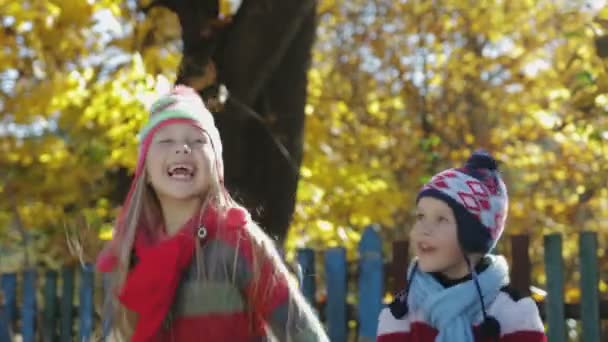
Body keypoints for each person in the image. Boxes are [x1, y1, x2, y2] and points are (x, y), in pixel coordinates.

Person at [96, 85, 328, 341]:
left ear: (216, 167)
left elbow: (300, 328)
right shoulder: (132, 254)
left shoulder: (236, 240)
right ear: (146, 172)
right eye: (165, 140)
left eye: (197, 141)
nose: (182, 148)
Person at [377, 151, 546, 342]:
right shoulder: (402, 314)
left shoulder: (513, 313)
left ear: (472, 235)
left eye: (441, 219)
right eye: (421, 217)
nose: (423, 230)